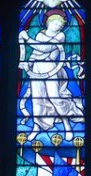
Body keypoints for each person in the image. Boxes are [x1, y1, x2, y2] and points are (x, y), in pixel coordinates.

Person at [18, 9, 84, 141]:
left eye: (60, 26)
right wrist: (27, 64)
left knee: (55, 97)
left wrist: (27, 38)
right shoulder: (40, 35)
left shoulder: (60, 36)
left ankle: (67, 125)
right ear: (48, 22)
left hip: (52, 68)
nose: (58, 27)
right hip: (37, 69)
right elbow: (36, 53)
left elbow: (45, 48)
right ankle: (36, 127)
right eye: (56, 24)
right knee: (38, 100)